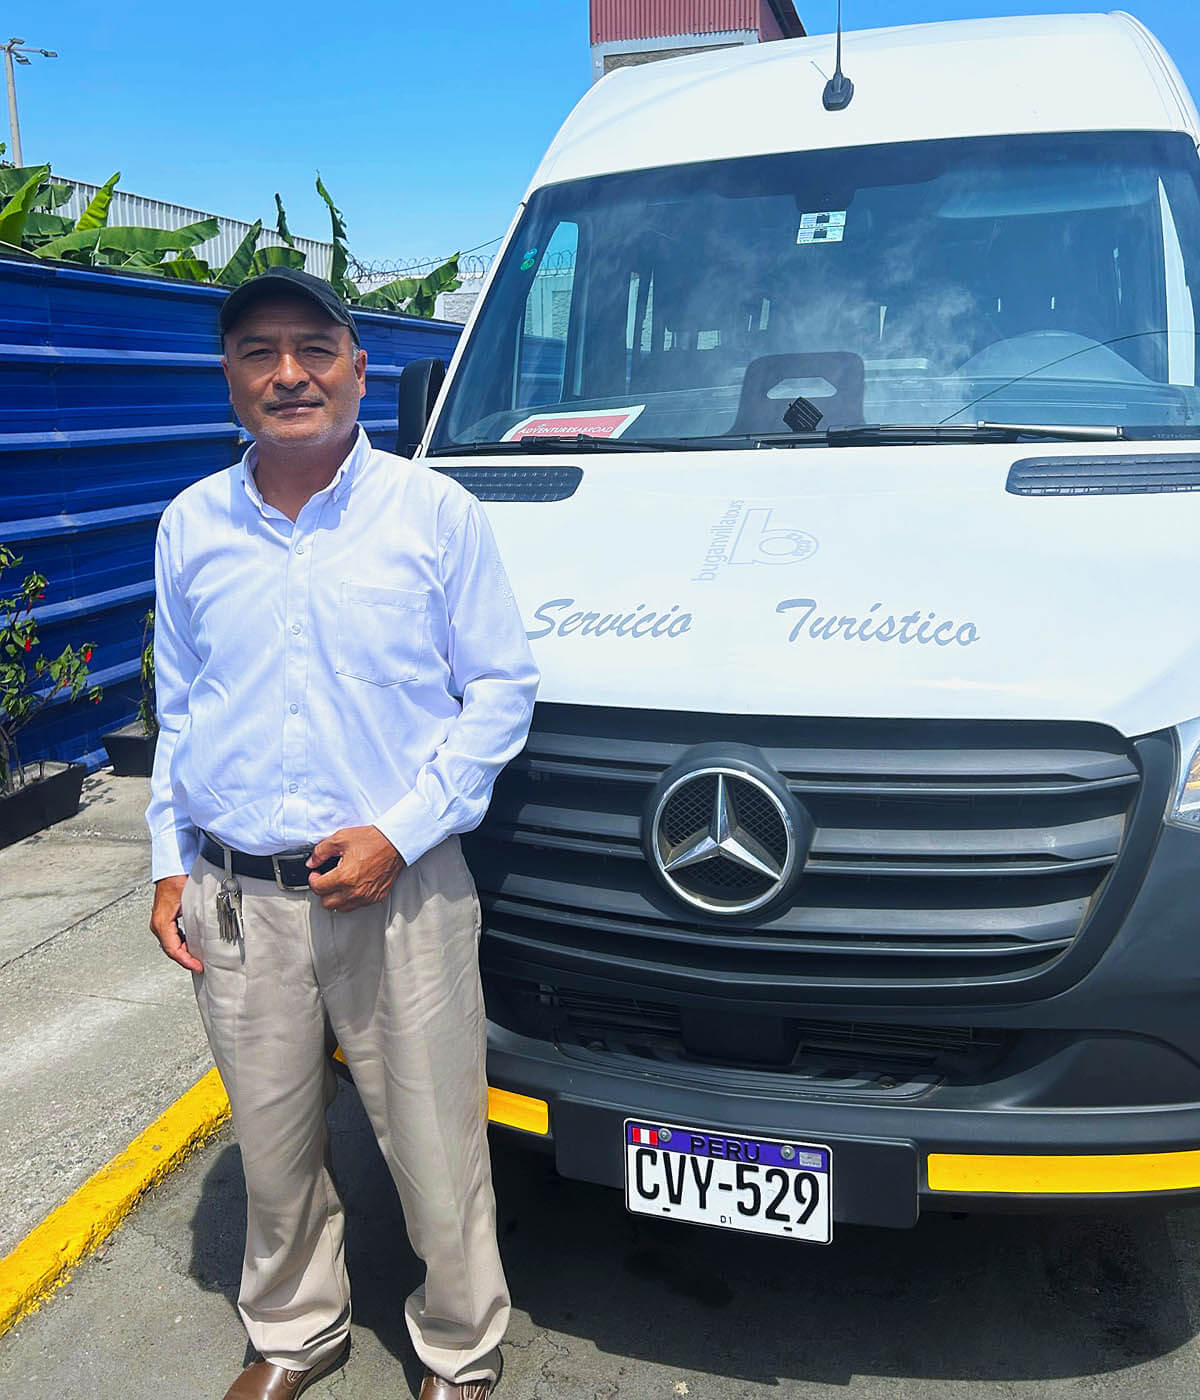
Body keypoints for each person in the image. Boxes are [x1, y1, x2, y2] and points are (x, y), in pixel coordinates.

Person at [146, 266, 538, 1400]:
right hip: (240, 898)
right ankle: (294, 1330)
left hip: (398, 892)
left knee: (433, 1144)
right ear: (228, 377)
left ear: (358, 368)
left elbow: (502, 690)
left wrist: (403, 830)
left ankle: (461, 1346)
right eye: (258, 351)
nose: (288, 373)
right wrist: (170, 862)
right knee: (271, 1149)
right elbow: (181, 709)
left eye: (313, 348)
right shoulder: (190, 525)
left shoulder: (434, 515)